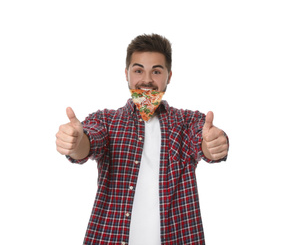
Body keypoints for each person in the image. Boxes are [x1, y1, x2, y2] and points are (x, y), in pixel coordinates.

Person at [56, 34, 229, 245]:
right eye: (138, 70)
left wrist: (214, 145)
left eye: (156, 71)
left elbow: (204, 143)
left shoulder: (187, 121)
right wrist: (74, 143)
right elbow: (89, 142)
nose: (147, 80)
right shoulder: (106, 120)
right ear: (126, 74)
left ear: (169, 76)